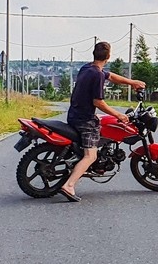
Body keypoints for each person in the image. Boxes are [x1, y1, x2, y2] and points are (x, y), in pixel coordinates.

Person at [60, 41, 146, 202]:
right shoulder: (97, 75)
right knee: (90, 155)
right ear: (108, 56)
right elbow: (98, 102)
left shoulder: (88, 68)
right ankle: (69, 185)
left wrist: (132, 82)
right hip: (83, 120)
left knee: (102, 124)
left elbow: (111, 76)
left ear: (94, 54)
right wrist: (118, 115)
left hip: (75, 114)